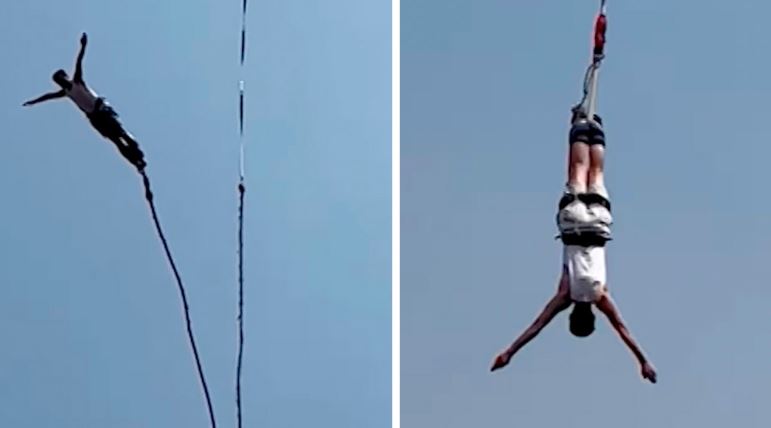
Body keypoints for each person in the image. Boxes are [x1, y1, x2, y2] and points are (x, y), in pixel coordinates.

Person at [489, 112, 658, 384]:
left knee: (597, 173)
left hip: (599, 226)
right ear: (570, 316)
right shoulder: (564, 295)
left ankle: (595, 128)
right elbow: (536, 326)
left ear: (592, 316)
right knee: (578, 170)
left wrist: (644, 361)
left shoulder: (602, 297)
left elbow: (623, 330)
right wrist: (508, 352)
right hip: (574, 224)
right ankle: (580, 125)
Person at [23, 33, 146, 171]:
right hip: (95, 117)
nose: (61, 82)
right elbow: (48, 96)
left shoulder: (77, 81)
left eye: (60, 79)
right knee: (116, 140)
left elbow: (79, 62)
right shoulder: (65, 92)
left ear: (64, 77)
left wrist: (83, 46)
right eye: (58, 81)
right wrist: (33, 102)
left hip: (101, 111)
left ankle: (138, 154)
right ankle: (134, 161)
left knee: (121, 133)